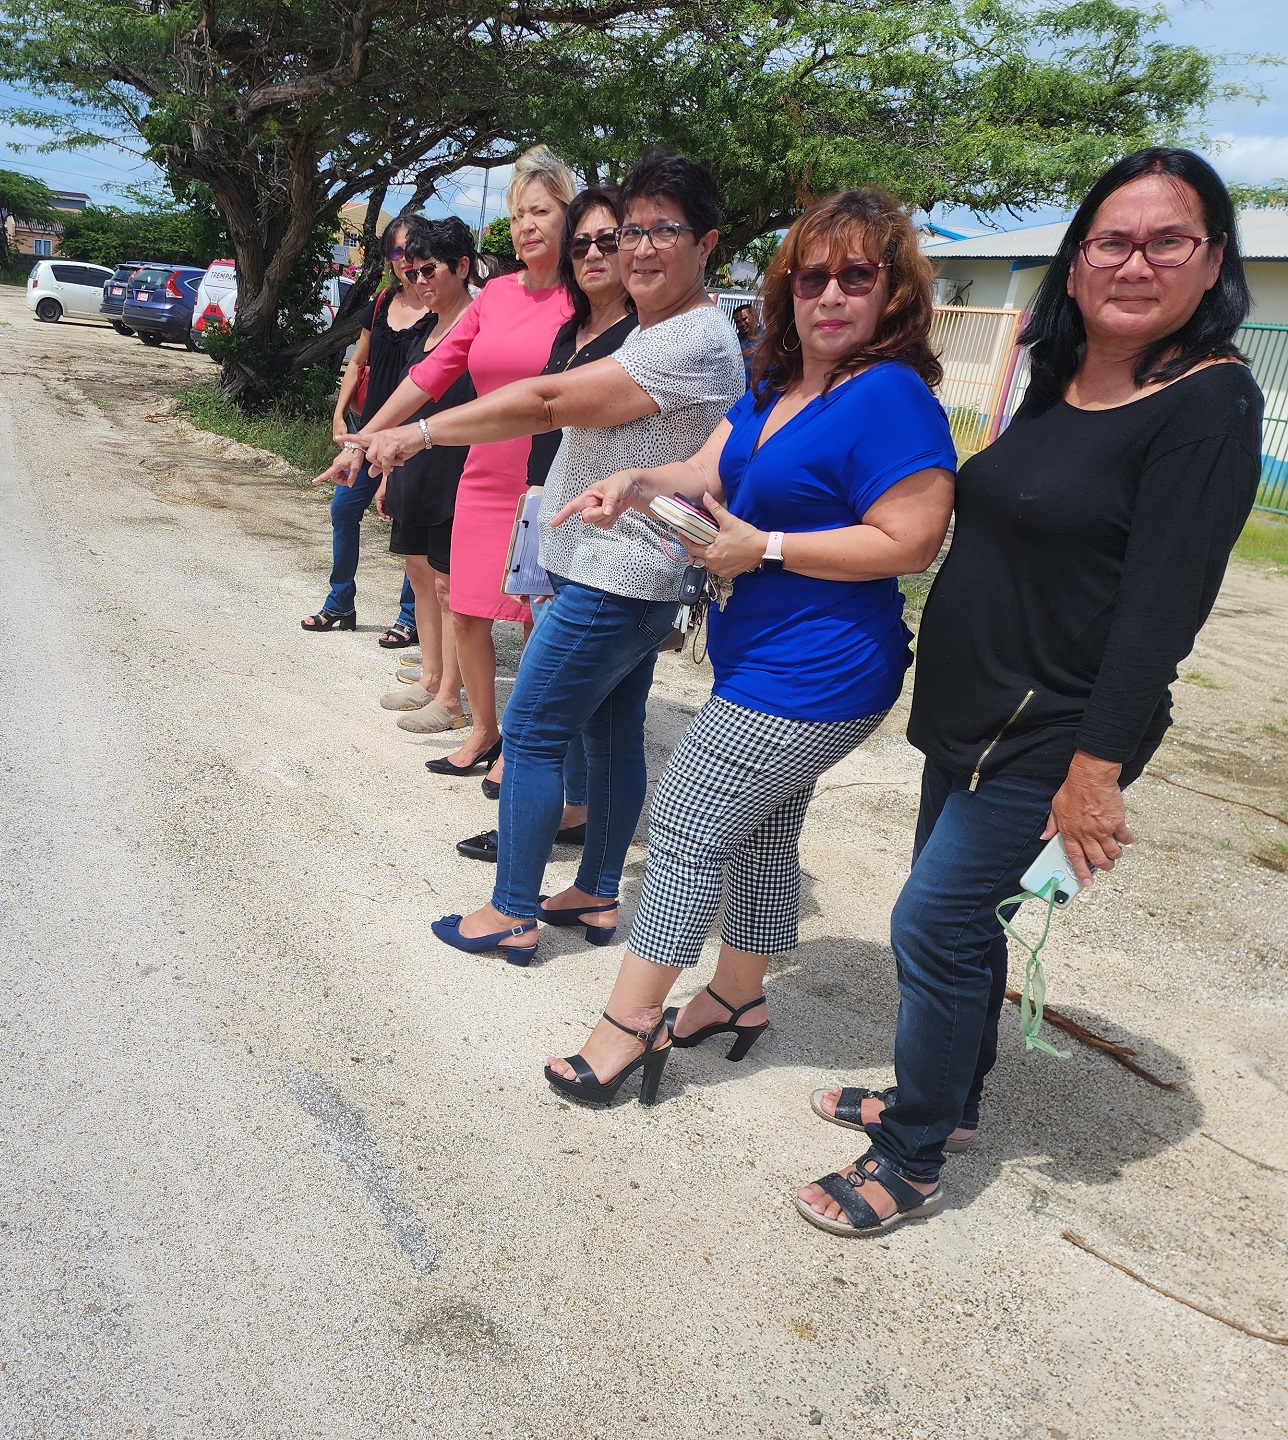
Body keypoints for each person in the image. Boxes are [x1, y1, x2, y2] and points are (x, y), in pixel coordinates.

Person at [795, 149, 1263, 1236]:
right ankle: (944, 1101)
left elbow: (1160, 613)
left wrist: (1096, 772)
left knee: (931, 924)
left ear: (1213, 259)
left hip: (1054, 733)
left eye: (1166, 240)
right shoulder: (1058, 376)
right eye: (1111, 239)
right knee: (963, 929)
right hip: (971, 712)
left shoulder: (1210, 404)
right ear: (1079, 255)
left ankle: (909, 1158)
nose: (1133, 262)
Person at [543, 189, 957, 1105]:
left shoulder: (889, 396)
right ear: (787, 287)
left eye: (858, 275)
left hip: (823, 666)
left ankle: (625, 1027)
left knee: (688, 823)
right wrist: (636, 478)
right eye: (813, 276)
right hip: (759, 654)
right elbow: (706, 469)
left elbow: (911, 541)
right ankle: (737, 998)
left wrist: (762, 548)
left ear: (895, 291)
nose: (832, 295)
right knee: (764, 833)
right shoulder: (778, 380)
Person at [355, 156, 745, 963]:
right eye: (628, 230)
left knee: (529, 733)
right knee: (610, 737)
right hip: (616, 572)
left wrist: (417, 432)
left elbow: (546, 402)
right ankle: (599, 892)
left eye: (661, 230)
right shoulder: (662, 325)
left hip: (614, 577)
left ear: (706, 243)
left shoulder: (692, 339)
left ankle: (511, 913)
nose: (638, 248)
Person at [328, 146, 578, 779]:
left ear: (568, 217)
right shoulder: (493, 295)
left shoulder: (584, 301)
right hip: (482, 472)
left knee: (534, 621)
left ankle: (522, 746)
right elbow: (431, 373)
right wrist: (363, 441)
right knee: (464, 605)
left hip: (547, 480)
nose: (527, 225)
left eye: (541, 211)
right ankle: (484, 730)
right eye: (518, 212)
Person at [367, 218, 478, 734]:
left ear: (461, 266)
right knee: (419, 575)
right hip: (413, 465)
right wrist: (387, 472)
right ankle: (431, 675)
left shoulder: (475, 324)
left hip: (457, 468)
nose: (419, 279)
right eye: (413, 269)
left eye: (430, 269)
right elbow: (409, 405)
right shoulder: (427, 327)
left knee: (450, 585)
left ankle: (453, 695)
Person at [304, 216, 423, 644]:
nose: (407, 261)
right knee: (343, 509)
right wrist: (340, 415)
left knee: (408, 524)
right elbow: (357, 361)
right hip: (368, 434)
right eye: (397, 252)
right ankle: (340, 602)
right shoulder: (381, 302)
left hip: (414, 439)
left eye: (414, 251)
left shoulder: (440, 309)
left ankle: (411, 616)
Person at [732, 303, 759, 386]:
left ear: (754, 317)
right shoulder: (734, 341)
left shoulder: (766, 339)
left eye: (744, 319)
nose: (742, 324)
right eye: (738, 322)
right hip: (740, 389)